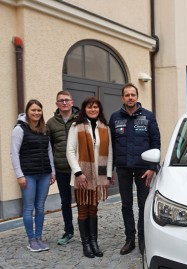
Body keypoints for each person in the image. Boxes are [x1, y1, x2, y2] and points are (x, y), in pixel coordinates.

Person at [109, 83, 160, 255]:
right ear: (122, 98)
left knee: (144, 205)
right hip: (123, 168)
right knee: (126, 205)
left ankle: (143, 240)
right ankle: (129, 240)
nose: (130, 97)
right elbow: (111, 146)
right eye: (127, 95)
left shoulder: (148, 117)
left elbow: (155, 143)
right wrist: (111, 170)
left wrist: (153, 167)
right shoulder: (115, 118)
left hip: (143, 169)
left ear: (137, 97)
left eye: (133, 94)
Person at [66, 97, 113, 258]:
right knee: (83, 210)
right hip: (82, 176)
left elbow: (109, 152)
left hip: (98, 176)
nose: (93, 110)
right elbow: (70, 151)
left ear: (99, 109)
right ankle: (86, 244)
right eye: (89, 107)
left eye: (96, 107)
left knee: (93, 209)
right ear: (84, 109)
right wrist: (78, 173)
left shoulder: (105, 128)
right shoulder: (76, 126)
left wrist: (107, 175)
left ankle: (94, 242)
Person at [10, 99, 56, 252]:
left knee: (41, 208)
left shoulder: (44, 129)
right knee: (29, 208)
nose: (36, 113)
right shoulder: (19, 129)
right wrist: (19, 175)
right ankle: (31, 239)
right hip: (28, 175)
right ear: (28, 112)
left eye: (39, 110)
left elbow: (49, 151)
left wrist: (52, 171)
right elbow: (14, 153)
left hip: (44, 174)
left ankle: (39, 237)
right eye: (33, 110)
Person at [46, 90, 79, 245]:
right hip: (61, 169)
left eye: (67, 100)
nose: (64, 103)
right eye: (61, 100)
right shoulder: (51, 123)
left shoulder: (81, 119)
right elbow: (49, 147)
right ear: (57, 104)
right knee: (65, 202)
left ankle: (85, 231)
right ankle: (68, 231)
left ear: (72, 102)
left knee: (82, 201)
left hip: (79, 170)